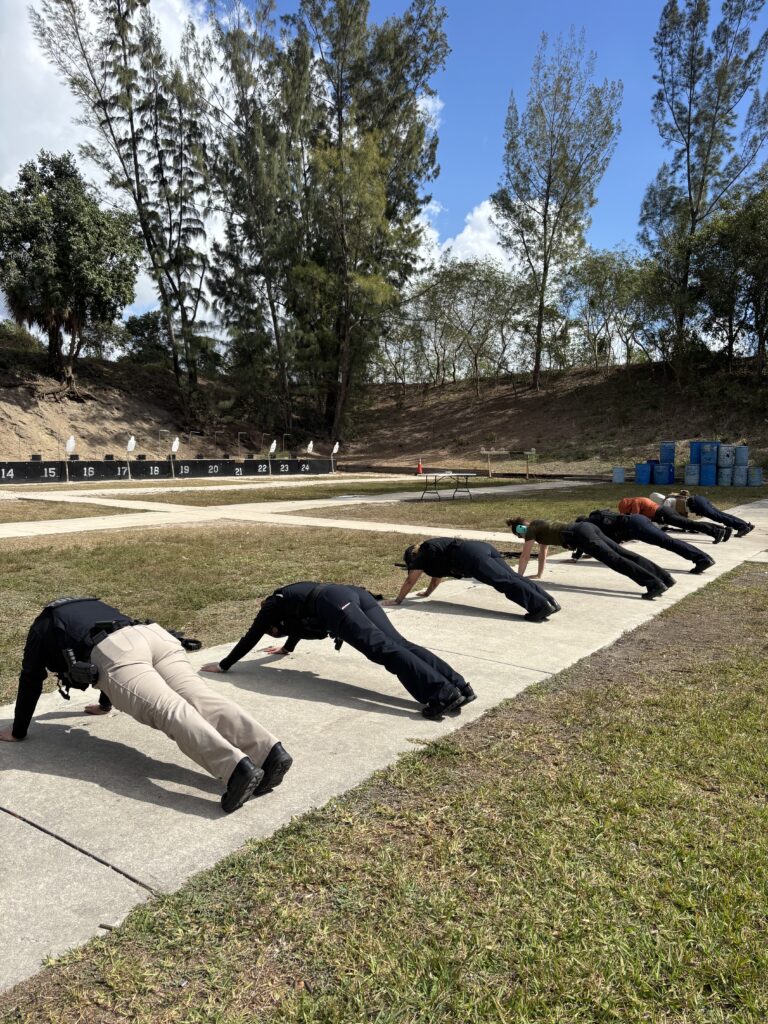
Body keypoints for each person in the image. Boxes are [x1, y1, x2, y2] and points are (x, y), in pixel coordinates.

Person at [0, 596, 291, 813]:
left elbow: (31, 679)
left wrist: (19, 730)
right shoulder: (88, 605)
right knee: (200, 696)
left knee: (170, 710)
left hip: (117, 652)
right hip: (152, 636)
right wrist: (105, 706)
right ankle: (270, 753)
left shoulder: (41, 627)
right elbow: (102, 661)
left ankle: (237, 770)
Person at [202, 581, 476, 719]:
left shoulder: (269, 608)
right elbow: (297, 626)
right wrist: (285, 648)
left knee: (382, 649)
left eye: (274, 630)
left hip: (333, 603)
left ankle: (442, 694)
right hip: (350, 593)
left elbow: (250, 637)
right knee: (399, 643)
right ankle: (459, 686)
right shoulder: (289, 600)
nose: (273, 632)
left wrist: (224, 665)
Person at [390, 537, 561, 623]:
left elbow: (410, 581)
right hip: (481, 548)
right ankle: (549, 602)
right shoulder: (434, 550)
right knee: (512, 577)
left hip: (471, 557)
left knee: (504, 582)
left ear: (413, 556)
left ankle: (539, 608)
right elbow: (436, 579)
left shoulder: (423, 554)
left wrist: (398, 601)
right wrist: (426, 593)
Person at [508, 517, 675, 599]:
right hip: (586, 527)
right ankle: (664, 578)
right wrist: (539, 575)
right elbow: (542, 552)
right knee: (623, 553)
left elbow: (524, 556)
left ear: (521, 529)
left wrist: (518, 578)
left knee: (615, 560)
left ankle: (653, 584)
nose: (521, 537)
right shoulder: (539, 527)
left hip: (579, 535)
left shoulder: (530, 530)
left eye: (518, 534)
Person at [575, 508, 715, 574]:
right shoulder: (599, 516)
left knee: (667, 542)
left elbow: (588, 539)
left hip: (635, 526)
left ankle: (701, 559)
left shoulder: (592, 524)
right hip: (637, 520)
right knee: (667, 541)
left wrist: (578, 554)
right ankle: (703, 558)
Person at [617, 495, 727, 542]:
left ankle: (716, 532)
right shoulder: (637, 500)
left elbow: (634, 517)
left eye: (626, 510)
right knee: (690, 524)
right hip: (665, 512)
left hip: (664, 514)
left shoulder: (636, 502)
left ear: (626, 506)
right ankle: (722, 529)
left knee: (690, 525)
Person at [652, 490, 754, 538]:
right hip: (699, 499)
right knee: (720, 514)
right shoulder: (672, 497)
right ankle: (745, 525)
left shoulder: (667, 501)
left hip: (696, 504)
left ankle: (742, 527)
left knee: (717, 516)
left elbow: (667, 517)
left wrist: (660, 526)